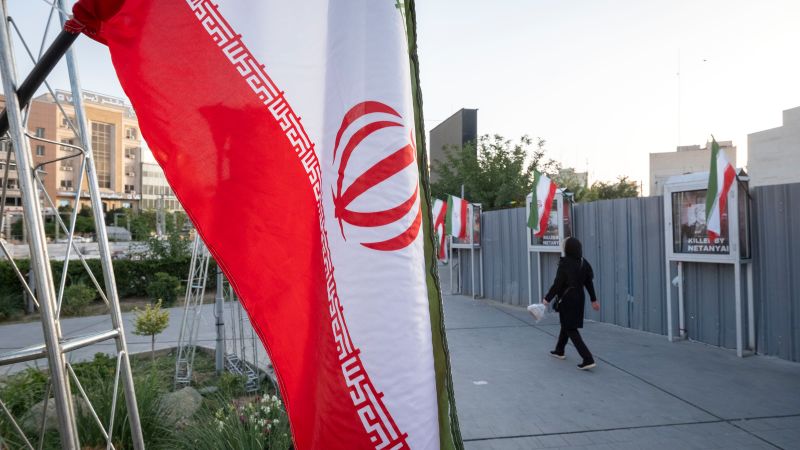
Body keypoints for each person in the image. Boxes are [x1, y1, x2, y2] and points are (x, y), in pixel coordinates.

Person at [542, 237, 600, 370]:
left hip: (567, 299)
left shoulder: (565, 263)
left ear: (568, 248)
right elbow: (588, 283)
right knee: (566, 324)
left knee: (570, 328)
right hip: (579, 298)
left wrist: (547, 299)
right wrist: (593, 300)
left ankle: (588, 358)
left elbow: (557, 284)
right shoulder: (583, 262)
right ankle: (559, 350)